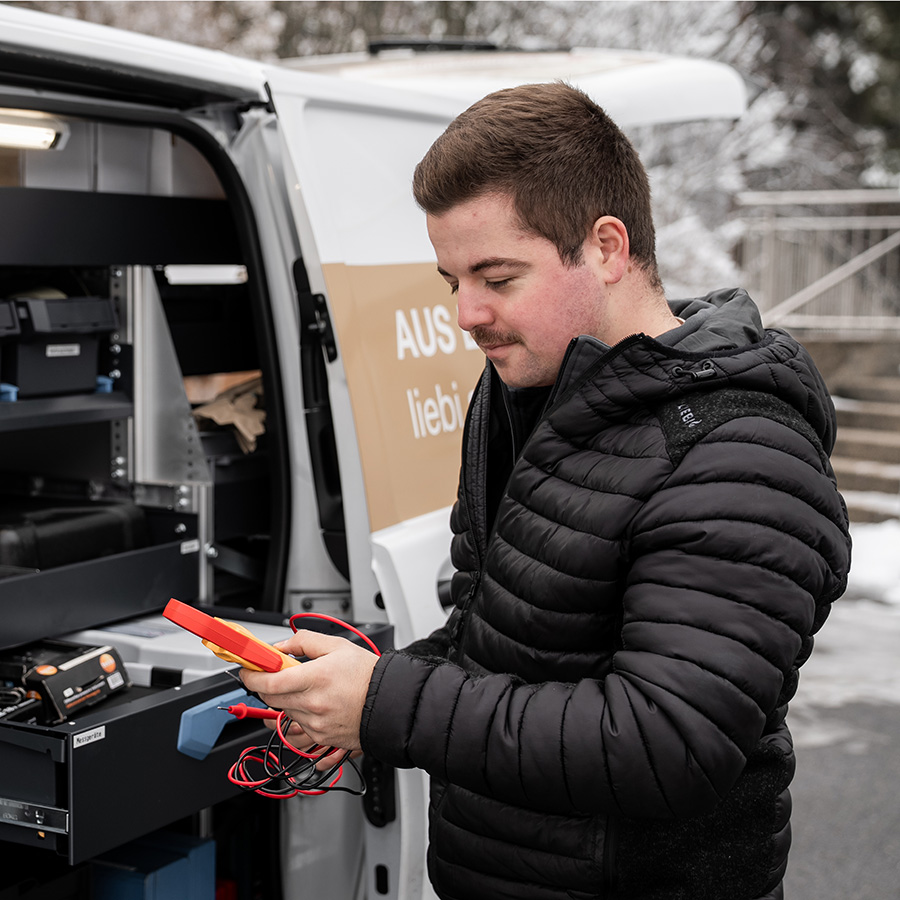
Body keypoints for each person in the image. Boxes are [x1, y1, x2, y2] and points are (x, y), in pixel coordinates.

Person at [243, 82, 852, 900]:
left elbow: (668, 742)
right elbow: (499, 639)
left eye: (496, 275)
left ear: (606, 247)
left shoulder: (738, 448)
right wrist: (349, 690)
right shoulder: (520, 395)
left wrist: (387, 704)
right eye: (450, 279)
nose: (465, 313)